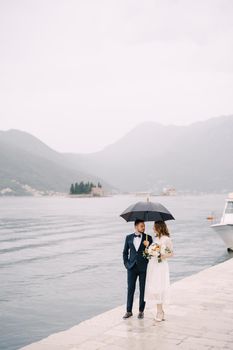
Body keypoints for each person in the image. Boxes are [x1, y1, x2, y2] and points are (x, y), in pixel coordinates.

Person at [122, 219, 153, 319]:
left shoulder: (149, 238)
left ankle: (141, 311)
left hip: (143, 268)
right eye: (141, 226)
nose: (143, 228)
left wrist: (148, 247)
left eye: (144, 226)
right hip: (131, 268)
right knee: (130, 289)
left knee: (143, 289)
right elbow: (125, 252)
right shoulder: (128, 237)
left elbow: (152, 254)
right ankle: (129, 311)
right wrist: (126, 264)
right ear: (136, 227)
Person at [144, 220, 174, 321]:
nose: (153, 229)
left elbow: (171, 254)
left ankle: (160, 312)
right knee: (154, 288)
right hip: (153, 265)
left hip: (161, 266)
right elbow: (153, 251)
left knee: (160, 287)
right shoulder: (156, 238)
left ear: (159, 227)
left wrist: (161, 255)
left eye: (154, 227)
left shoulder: (167, 239)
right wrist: (148, 249)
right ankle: (160, 311)